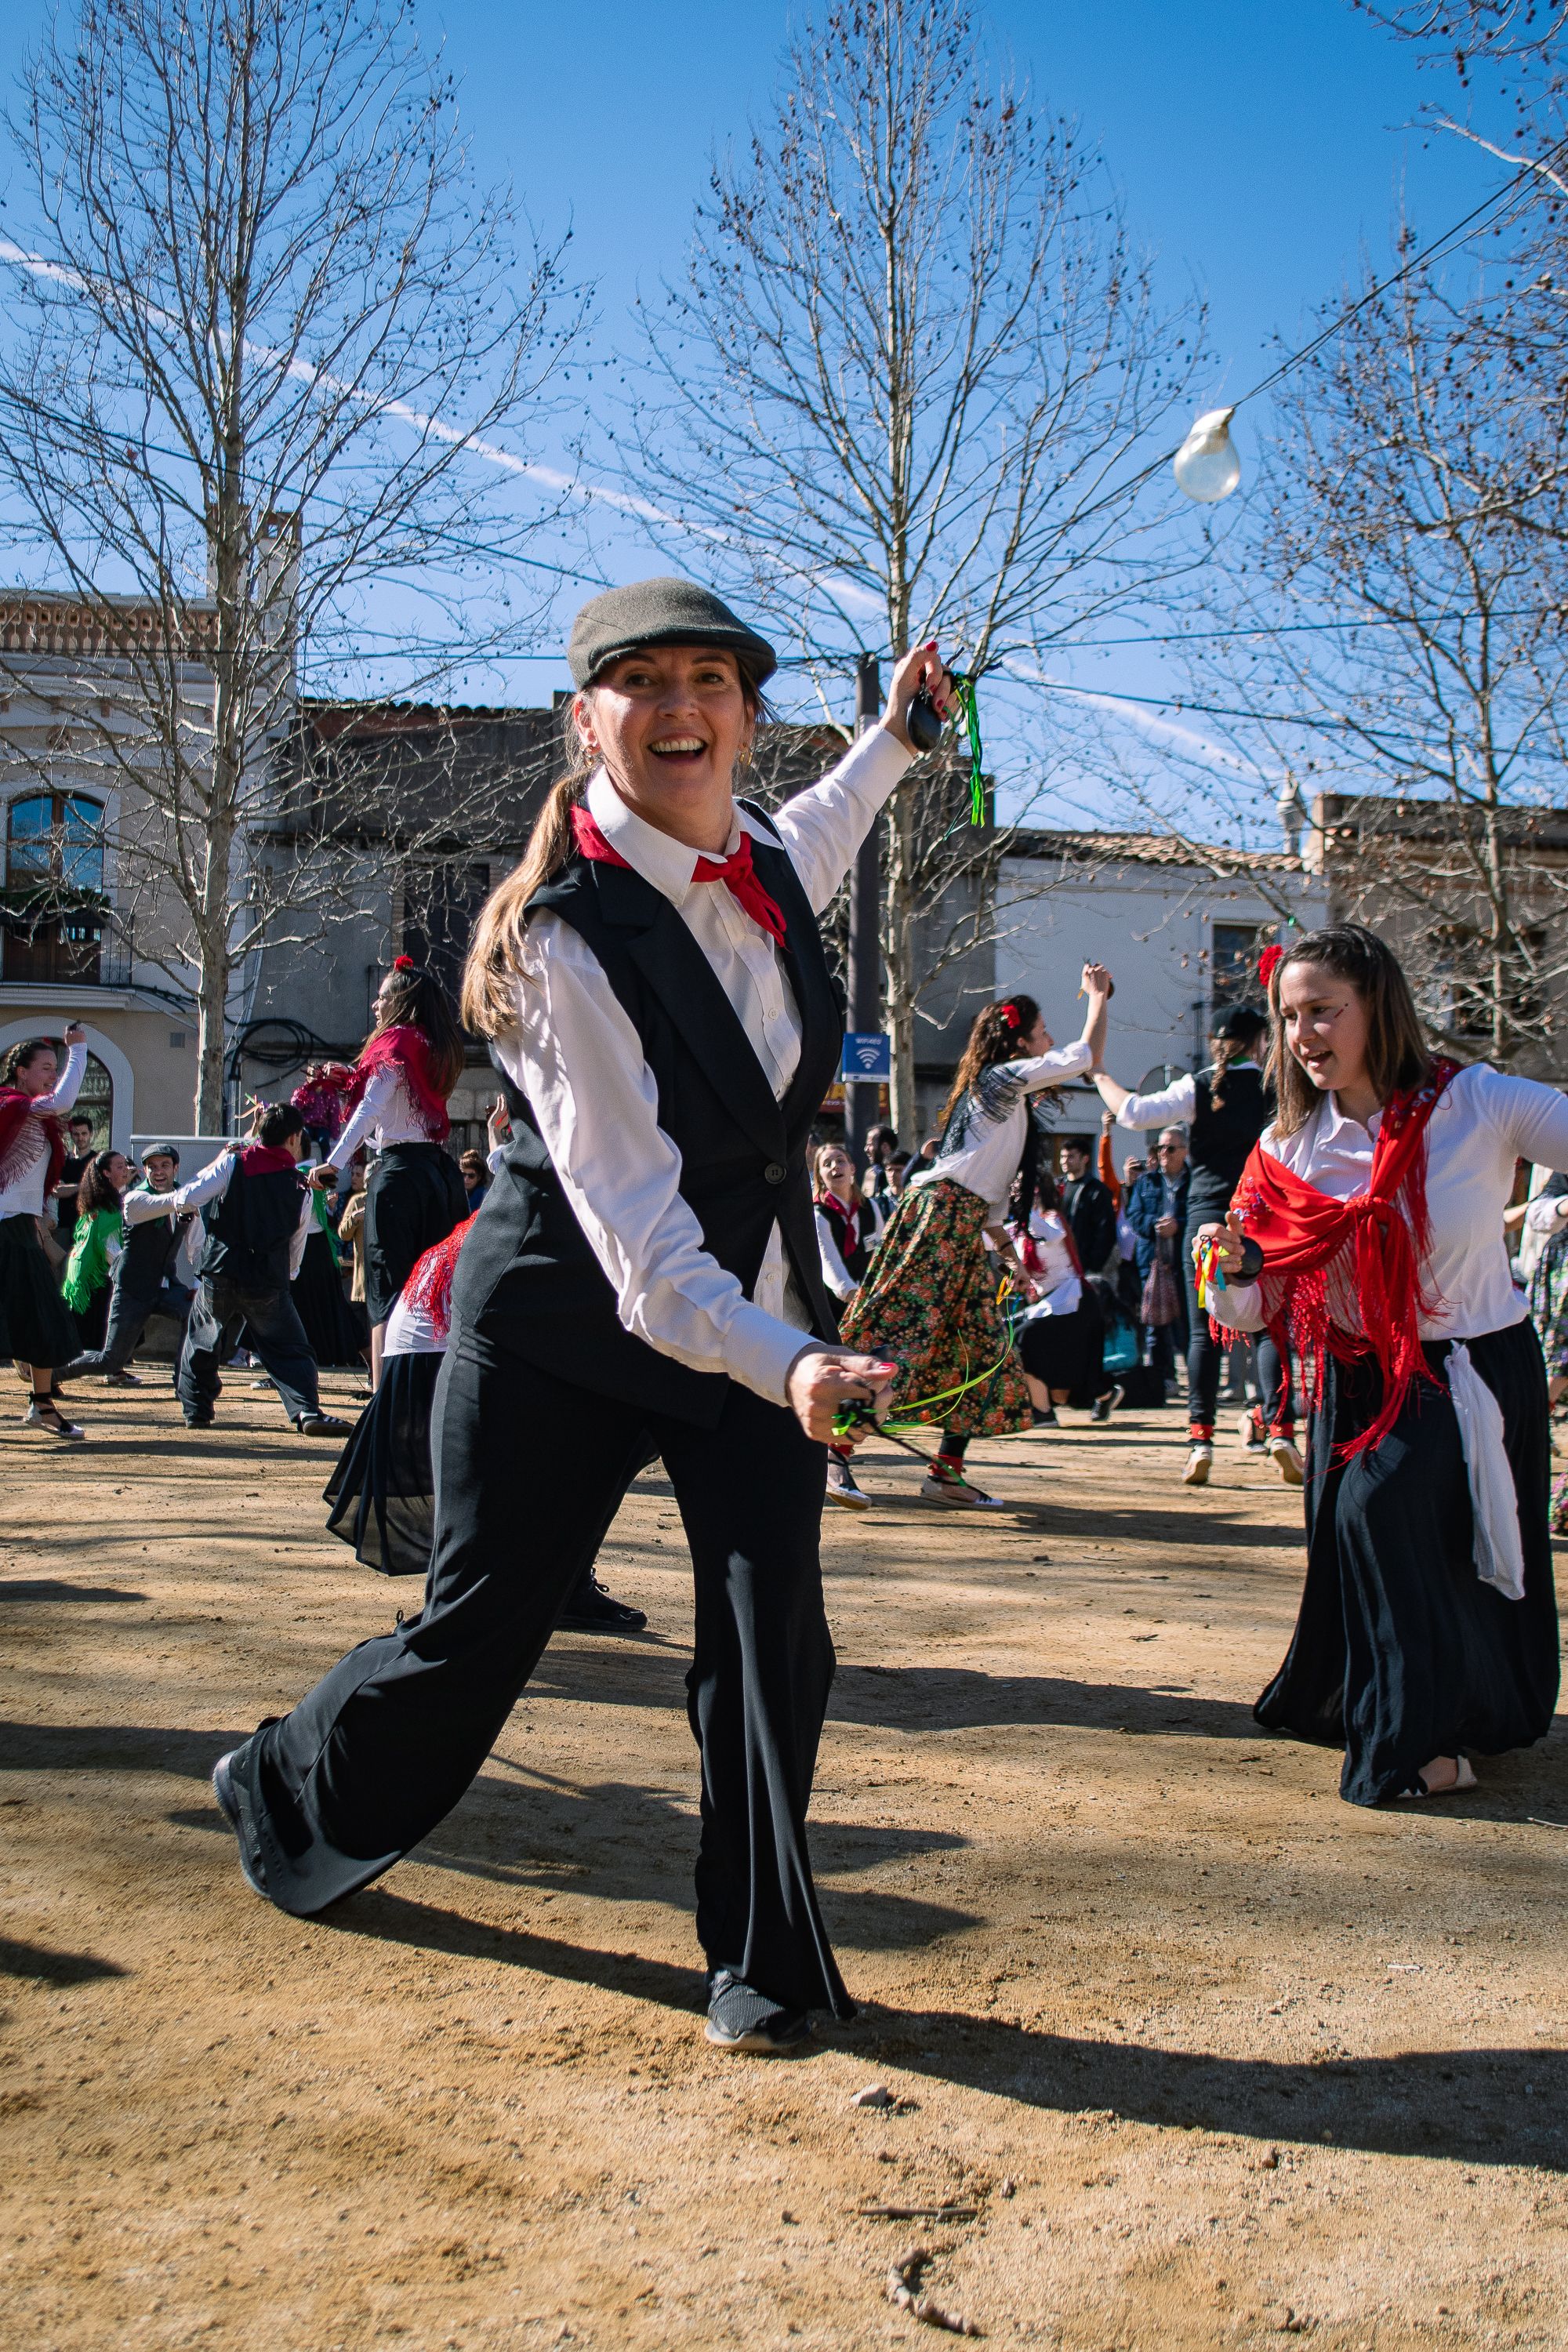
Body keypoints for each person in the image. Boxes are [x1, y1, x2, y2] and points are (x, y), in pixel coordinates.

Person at [212, 578, 948, 2058]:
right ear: (585, 717)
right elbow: (641, 1243)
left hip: (743, 1319)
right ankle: (290, 1782)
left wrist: (898, 739)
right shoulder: (558, 941)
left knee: (771, 1633)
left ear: (745, 713)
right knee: (480, 1632)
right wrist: (794, 1359)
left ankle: (763, 1962)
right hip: (572, 1320)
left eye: (711, 680)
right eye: (643, 681)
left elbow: (830, 822)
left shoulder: (765, 862)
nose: (681, 707)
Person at [1199, 923, 1564, 1806]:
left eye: (1322, 1011)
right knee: (1383, 1536)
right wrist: (1233, 1269)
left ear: (1378, 1007)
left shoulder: (1478, 1101)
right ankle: (1418, 1720)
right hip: (1360, 1378)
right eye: (1290, 1018)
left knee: (1404, 1527)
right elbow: (1248, 1311)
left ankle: (1420, 1744)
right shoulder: (1286, 1150)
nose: (1302, 1036)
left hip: (1477, 1363)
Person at [840, 974, 1112, 1508]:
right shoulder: (999, 1081)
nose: (1048, 1040)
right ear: (1018, 1043)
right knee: (903, 1337)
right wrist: (1099, 996)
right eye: (1041, 1032)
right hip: (939, 1218)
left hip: (959, 1225)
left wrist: (1010, 1255)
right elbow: (1084, 1054)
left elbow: (986, 1197)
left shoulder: (999, 1096)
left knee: (979, 1346)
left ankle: (947, 1471)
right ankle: (835, 1453)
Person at [1093, 1001, 1301, 1488]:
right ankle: (1280, 1430)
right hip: (1263, 1215)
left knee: (1203, 1332)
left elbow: (1133, 1112)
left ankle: (1200, 1441)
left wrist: (1100, 1072)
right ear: (1260, 1043)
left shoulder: (1199, 1085)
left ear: (1214, 1043)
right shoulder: (1277, 1089)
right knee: (1271, 1327)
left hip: (1207, 1217)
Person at [307, 958, 468, 1387]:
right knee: (436, 1289)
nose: (375, 1005)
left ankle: (384, 1396)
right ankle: (434, 1390)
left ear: (399, 1000)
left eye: (382, 997)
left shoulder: (395, 1043)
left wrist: (334, 1163)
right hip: (440, 1175)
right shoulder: (435, 1045)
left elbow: (370, 1109)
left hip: (400, 1177)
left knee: (387, 1288)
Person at [150, 1102, 354, 1436]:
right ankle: (306, 1410)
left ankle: (197, 1410)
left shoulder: (233, 1164)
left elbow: (189, 1197)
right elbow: (297, 1239)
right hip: (267, 1278)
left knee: (201, 1339)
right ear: (294, 1138)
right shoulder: (299, 1184)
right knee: (289, 1347)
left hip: (221, 1269)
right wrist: (287, 1276)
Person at [0, 1026, 89, 1438]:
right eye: (45, 1068)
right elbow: (63, 1100)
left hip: (20, 1226)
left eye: (57, 1068)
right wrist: (79, 1050)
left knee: (41, 1318)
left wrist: (42, 1213)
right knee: (29, 1317)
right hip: (5, 1229)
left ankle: (42, 1406)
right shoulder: (15, 1105)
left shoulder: (29, 1111)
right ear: (20, 1072)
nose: (53, 1075)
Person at [56, 1143, 198, 1388]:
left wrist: (199, 1283)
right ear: (144, 1171)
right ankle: (49, 1374)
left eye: (165, 1165)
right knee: (110, 1361)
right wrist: (203, 1186)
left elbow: (197, 1245)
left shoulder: (184, 1202)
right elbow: (170, 1203)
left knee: (198, 1312)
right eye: (152, 1167)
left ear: (176, 1168)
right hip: (131, 1288)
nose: (159, 1171)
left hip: (163, 1286)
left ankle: (184, 1381)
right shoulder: (135, 1199)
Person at [815, 1138, 887, 1510]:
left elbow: (884, 1255)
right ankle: (834, 1463)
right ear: (820, 1175)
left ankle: (836, 1458)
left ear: (853, 1168)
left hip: (868, 1309)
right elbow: (829, 1265)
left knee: (871, 1386)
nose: (834, 1168)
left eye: (840, 1160)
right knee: (844, 1386)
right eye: (826, 1164)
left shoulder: (872, 1209)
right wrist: (850, 1293)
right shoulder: (818, 1214)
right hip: (830, 1311)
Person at [1124, 1128, 1191, 1396]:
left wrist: (1180, 1225)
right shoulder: (1146, 1182)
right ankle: (1164, 1378)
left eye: (1170, 1148)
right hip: (1152, 1264)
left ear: (1184, 1151)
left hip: (1186, 1262)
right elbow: (1134, 1216)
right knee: (1156, 1324)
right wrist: (1154, 1225)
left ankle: (1196, 1376)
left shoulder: (1195, 1181)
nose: (1164, 1153)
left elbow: (1202, 1216)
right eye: (1160, 1148)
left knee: (1188, 1323)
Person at [60, 1149, 130, 1351]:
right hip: (92, 1277)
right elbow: (110, 1248)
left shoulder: (104, 1201)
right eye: (119, 1167)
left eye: (125, 1165)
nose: (126, 1170)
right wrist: (127, 1271)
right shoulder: (106, 1207)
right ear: (106, 1173)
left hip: (87, 1273)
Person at [1058, 1137, 1118, 1276]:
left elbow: (1106, 1231)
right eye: (1062, 1156)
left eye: (1071, 1157)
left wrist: (1094, 1265)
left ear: (1085, 1159)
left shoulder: (1097, 1191)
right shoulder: (1057, 1187)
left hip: (1084, 1266)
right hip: (1060, 1264)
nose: (1065, 1161)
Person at [53, 1111, 98, 1249]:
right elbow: (57, 1191)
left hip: (89, 1222)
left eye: (84, 1134)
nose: (80, 1138)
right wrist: (83, 1186)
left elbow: (99, 1190)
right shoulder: (62, 1162)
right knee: (62, 1264)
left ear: (90, 1134)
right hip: (65, 1223)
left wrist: (69, 1188)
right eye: (76, 1134)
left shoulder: (98, 1162)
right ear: (71, 1136)